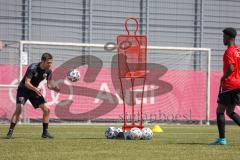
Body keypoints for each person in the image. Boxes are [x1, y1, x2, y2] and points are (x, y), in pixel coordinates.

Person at [6, 52, 60, 139]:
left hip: (34, 90)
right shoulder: (33, 67)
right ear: (43, 61)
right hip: (23, 90)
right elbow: (27, 83)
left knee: (47, 109)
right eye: (48, 62)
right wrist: (36, 89)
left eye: (51, 62)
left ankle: (45, 132)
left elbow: (49, 85)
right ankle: (10, 131)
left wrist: (56, 88)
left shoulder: (49, 71)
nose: (50, 64)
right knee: (20, 108)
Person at [211, 27, 240, 145]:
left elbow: (231, 67)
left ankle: (222, 139)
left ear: (229, 37)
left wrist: (223, 77)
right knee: (230, 112)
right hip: (238, 84)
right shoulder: (238, 50)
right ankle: (222, 139)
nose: (223, 39)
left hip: (229, 84)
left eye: (224, 36)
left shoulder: (229, 51)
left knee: (220, 110)